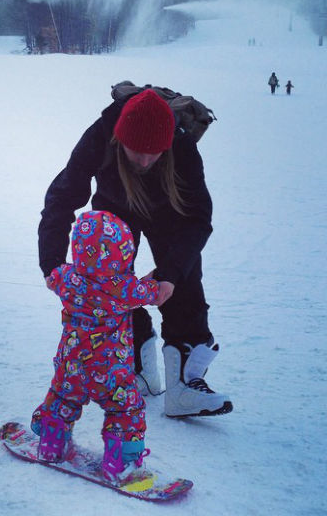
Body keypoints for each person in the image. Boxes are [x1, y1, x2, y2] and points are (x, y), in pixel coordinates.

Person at [38, 87, 232, 418]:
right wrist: (53, 265)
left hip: (172, 213)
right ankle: (138, 367)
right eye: (135, 151)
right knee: (107, 285)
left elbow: (199, 218)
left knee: (182, 280)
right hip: (115, 210)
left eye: (153, 153)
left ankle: (184, 385)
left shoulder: (182, 147)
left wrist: (170, 273)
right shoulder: (100, 136)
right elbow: (62, 198)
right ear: (119, 138)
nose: (143, 160)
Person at [31, 210, 159, 485]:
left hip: (71, 368)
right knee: (126, 409)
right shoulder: (124, 288)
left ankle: (52, 442)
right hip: (112, 374)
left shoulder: (67, 277)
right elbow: (152, 292)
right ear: (124, 252)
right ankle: (121, 460)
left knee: (62, 399)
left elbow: (52, 277)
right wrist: (156, 280)